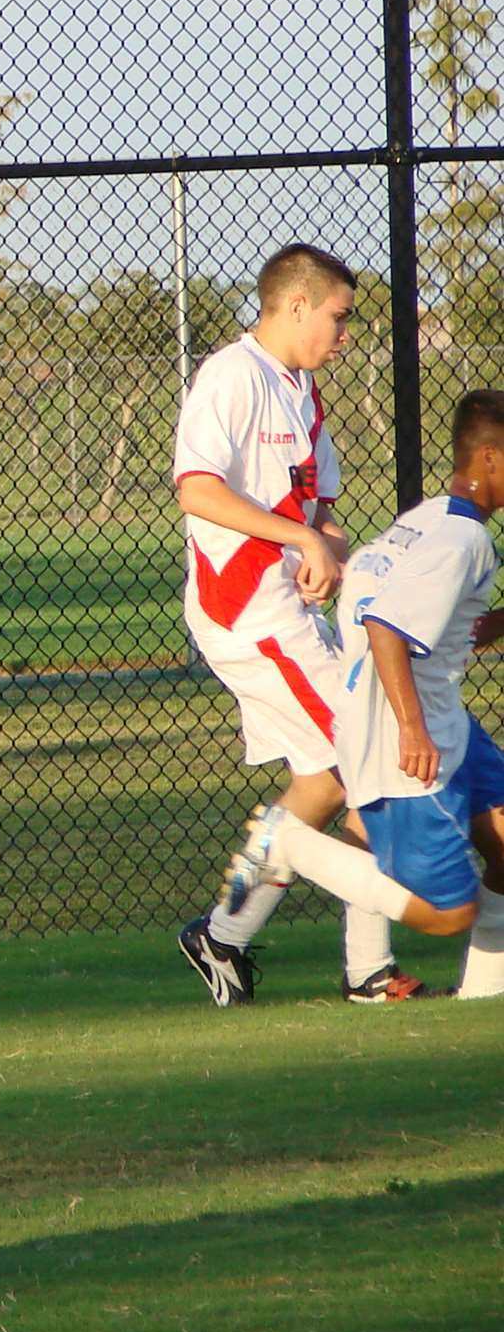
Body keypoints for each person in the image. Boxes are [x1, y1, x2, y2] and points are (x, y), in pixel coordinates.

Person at [168, 245, 417, 1005]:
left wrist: (325, 545)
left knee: (322, 780)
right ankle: (367, 968)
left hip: (288, 612)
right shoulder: (232, 376)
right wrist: (302, 540)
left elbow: (321, 516)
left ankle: (223, 936)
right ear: (296, 305)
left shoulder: (300, 391)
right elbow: (197, 490)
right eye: (339, 317)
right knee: (375, 760)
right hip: (248, 614)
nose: (346, 333)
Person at [221, 389, 504, 989]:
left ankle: (483, 992)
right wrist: (410, 726)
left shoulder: (427, 521)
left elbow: (438, 625)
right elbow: (386, 627)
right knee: (446, 913)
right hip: (405, 729)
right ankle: (292, 844)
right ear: (491, 460)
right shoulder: (463, 542)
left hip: (429, 711)